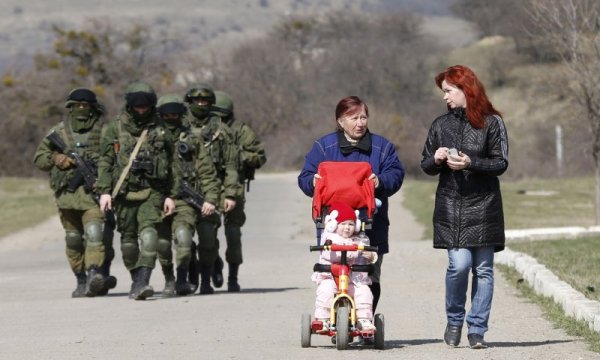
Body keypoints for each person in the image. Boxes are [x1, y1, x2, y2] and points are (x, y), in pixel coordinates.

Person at [420, 65, 508, 349]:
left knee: (483, 270)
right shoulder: (439, 125)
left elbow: (500, 162)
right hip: (451, 206)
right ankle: (455, 320)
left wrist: (472, 162)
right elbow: (425, 165)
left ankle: (477, 330)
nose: (445, 97)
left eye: (448, 91)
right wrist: (435, 159)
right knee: (459, 266)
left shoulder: (492, 123)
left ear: (465, 89)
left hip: (484, 206)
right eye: (443, 92)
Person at [298, 96, 404, 312]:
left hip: (371, 224)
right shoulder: (324, 146)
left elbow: (396, 174)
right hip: (333, 226)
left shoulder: (382, 147)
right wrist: (312, 181)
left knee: (368, 276)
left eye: (363, 117)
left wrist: (380, 181)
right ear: (340, 121)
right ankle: (337, 320)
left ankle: (365, 320)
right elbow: (305, 177)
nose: (360, 123)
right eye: (353, 118)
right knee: (332, 275)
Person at [97, 81, 177, 300]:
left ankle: (143, 281)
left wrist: (171, 195)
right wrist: (104, 190)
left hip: (152, 191)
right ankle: (136, 279)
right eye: (137, 106)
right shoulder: (114, 128)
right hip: (123, 193)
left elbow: (173, 165)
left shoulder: (161, 129)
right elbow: (104, 161)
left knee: (149, 235)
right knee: (129, 243)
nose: (141, 110)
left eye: (145, 106)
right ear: (130, 105)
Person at [33, 88, 115, 298]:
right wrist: (56, 159)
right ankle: (80, 278)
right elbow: (39, 159)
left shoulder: (105, 131)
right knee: (73, 240)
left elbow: (116, 159)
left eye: (85, 106)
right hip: (67, 198)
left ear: (92, 108)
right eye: (76, 105)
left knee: (95, 235)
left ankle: (94, 275)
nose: (81, 109)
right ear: (70, 107)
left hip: (93, 196)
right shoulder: (59, 132)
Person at [155, 94, 221, 297]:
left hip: (189, 200)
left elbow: (207, 172)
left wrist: (210, 199)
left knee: (199, 238)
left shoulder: (191, 140)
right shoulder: (152, 139)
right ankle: (171, 279)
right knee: (163, 244)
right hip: (158, 200)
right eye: (167, 114)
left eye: (176, 113)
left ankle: (196, 279)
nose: (172, 118)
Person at [183, 84, 241, 294]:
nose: (200, 105)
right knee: (184, 239)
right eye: (196, 101)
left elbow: (232, 165)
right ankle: (191, 275)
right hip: (183, 192)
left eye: (205, 101)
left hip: (212, 192)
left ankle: (206, 278)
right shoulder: (180, 128)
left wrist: (230, 194)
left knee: (208, 239)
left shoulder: (221, 131)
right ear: (189, 102)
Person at [211, 90, 267, 292]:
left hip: (234, 188)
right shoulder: (206, 129)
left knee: (233, 234)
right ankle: (214, 263)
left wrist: (238, 155)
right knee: (208, 233)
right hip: (209, 187)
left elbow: (260, 156)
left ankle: (233, 276)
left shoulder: (241, 131)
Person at [312, 201, 378, 331]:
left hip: (354, 279)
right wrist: (349, 248)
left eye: (351, 224)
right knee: (325, 291)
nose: (347, 228)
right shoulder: (330, 237)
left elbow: (370, 254)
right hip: (332, 277)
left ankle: (363, 319)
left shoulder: (361, 240)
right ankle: (322, 319)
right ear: (334, 225)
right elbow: (329, 254)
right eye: (343, 224)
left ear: (357, 226)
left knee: (364, 292)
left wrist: (370, 255)